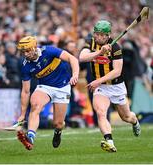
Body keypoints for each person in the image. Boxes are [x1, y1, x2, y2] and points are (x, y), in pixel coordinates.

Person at [79, 20, 141, 152]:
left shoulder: (116, 47)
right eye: (97, 34)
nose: (99, 37)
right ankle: (109, 142)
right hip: (101, 88)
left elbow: (117, 71)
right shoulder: (90, 43)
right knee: (101, 113)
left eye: (103, 35)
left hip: (116, 86)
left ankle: (135, 121)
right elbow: (82, 57)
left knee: (126, 117)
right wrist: (99, 53)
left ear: (108, 36)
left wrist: (98, 80)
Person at [16, 36, 79, 150]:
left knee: (58, 123)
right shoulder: (25, 66)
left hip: (63, 87)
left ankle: (58, 132)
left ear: (35, 47)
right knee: (35, 105)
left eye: (28, 50)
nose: (25, 54)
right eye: (23, 51)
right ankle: (30, 137)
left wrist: (75, 75)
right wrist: (22, 114)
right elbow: (25, 91)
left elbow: (72, 59)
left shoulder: (49, 50)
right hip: (45, 87)